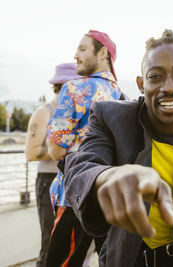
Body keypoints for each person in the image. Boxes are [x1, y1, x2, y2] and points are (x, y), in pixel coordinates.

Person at [63, 29, 173, 267]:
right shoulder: (109, 116)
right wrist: (112, 176)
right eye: (156, 77)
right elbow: (81, 167)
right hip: (125, 257)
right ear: (141, 84)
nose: (170, 87)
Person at [46, 30, 125, 266]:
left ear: (102, 53)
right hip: (108, 195)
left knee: (61, 261)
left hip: (75, 195)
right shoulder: (123, 97)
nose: (75, 55)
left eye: (82, 49)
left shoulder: (74, 89)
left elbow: (55, 150)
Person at [25, 63, 82, 267]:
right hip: (49, 180)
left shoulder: (77, 111)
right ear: (66, 86)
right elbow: (31, 153)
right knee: (51, 244)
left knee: (76, 246)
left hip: (74, 179)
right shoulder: (45, 112)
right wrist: (66, 149)